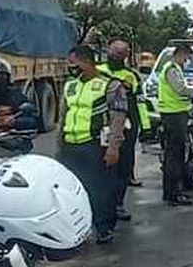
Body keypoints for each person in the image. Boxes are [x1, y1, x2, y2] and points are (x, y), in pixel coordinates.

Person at [58, 45, 128, 244]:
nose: (70, 67)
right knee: (71, 191)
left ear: (87, 62)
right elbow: (62, 117)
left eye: (74, 63)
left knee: (101, 190)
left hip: (95, 146)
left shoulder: (111, 85)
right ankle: (76, 228)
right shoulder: (70, 85)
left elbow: (118, 119)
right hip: (70, 145)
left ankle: (103, 227)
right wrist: (59, 145)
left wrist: (114, 148)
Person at [99, 39, 141, 221]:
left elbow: (136, 100)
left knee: (122, 168)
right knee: (102, 167)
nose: (116, 55)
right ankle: (101, 204)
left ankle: (118, 204)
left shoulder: (131, 75)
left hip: (125, 127)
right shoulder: (98, 71)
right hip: (100, 126)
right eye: (114, 52)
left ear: (126, 55)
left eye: (121, 53)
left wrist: (144, 128)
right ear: (108, 51)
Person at [158, 44, 193, 206]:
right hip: (173, 115)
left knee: (174, 154)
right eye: (187, 57)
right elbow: (180, 89)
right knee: (175, 156)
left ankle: (173, 191)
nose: (187, 61)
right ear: (181, 54)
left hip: (175, 114)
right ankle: (173, 193)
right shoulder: (172, 69)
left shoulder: (175, 68)